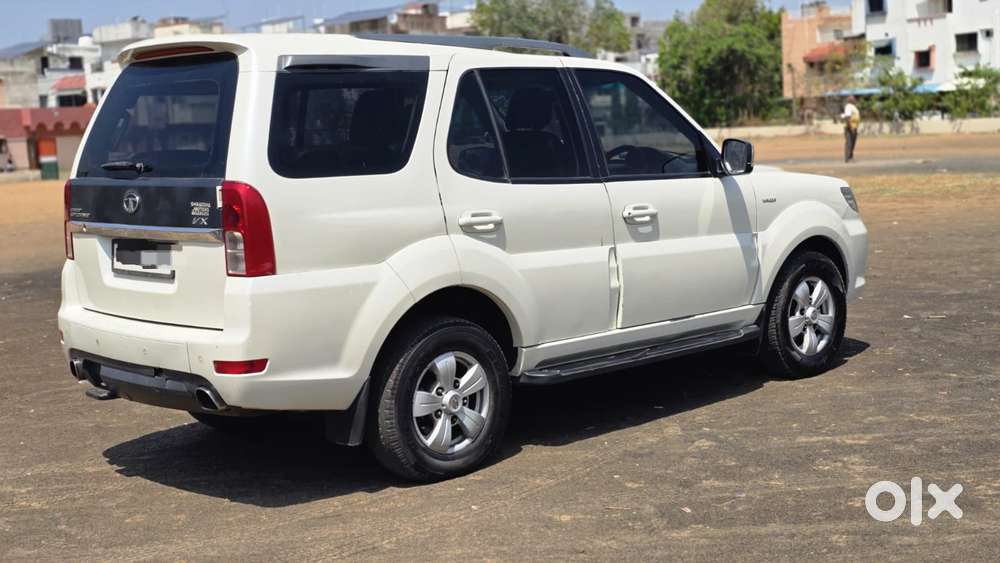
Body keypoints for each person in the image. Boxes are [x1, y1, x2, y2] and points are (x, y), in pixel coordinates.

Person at [841, 95, 860, 163]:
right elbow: (848, 117)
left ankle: (851, 157)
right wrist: (850, 127)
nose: (855, 99)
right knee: (849, 143)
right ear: (850, 100)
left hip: (854, 127)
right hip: (850, 127)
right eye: (853, 99)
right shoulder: (848, 106)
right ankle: (848, 158)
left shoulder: (854, 107)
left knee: (853, 143)